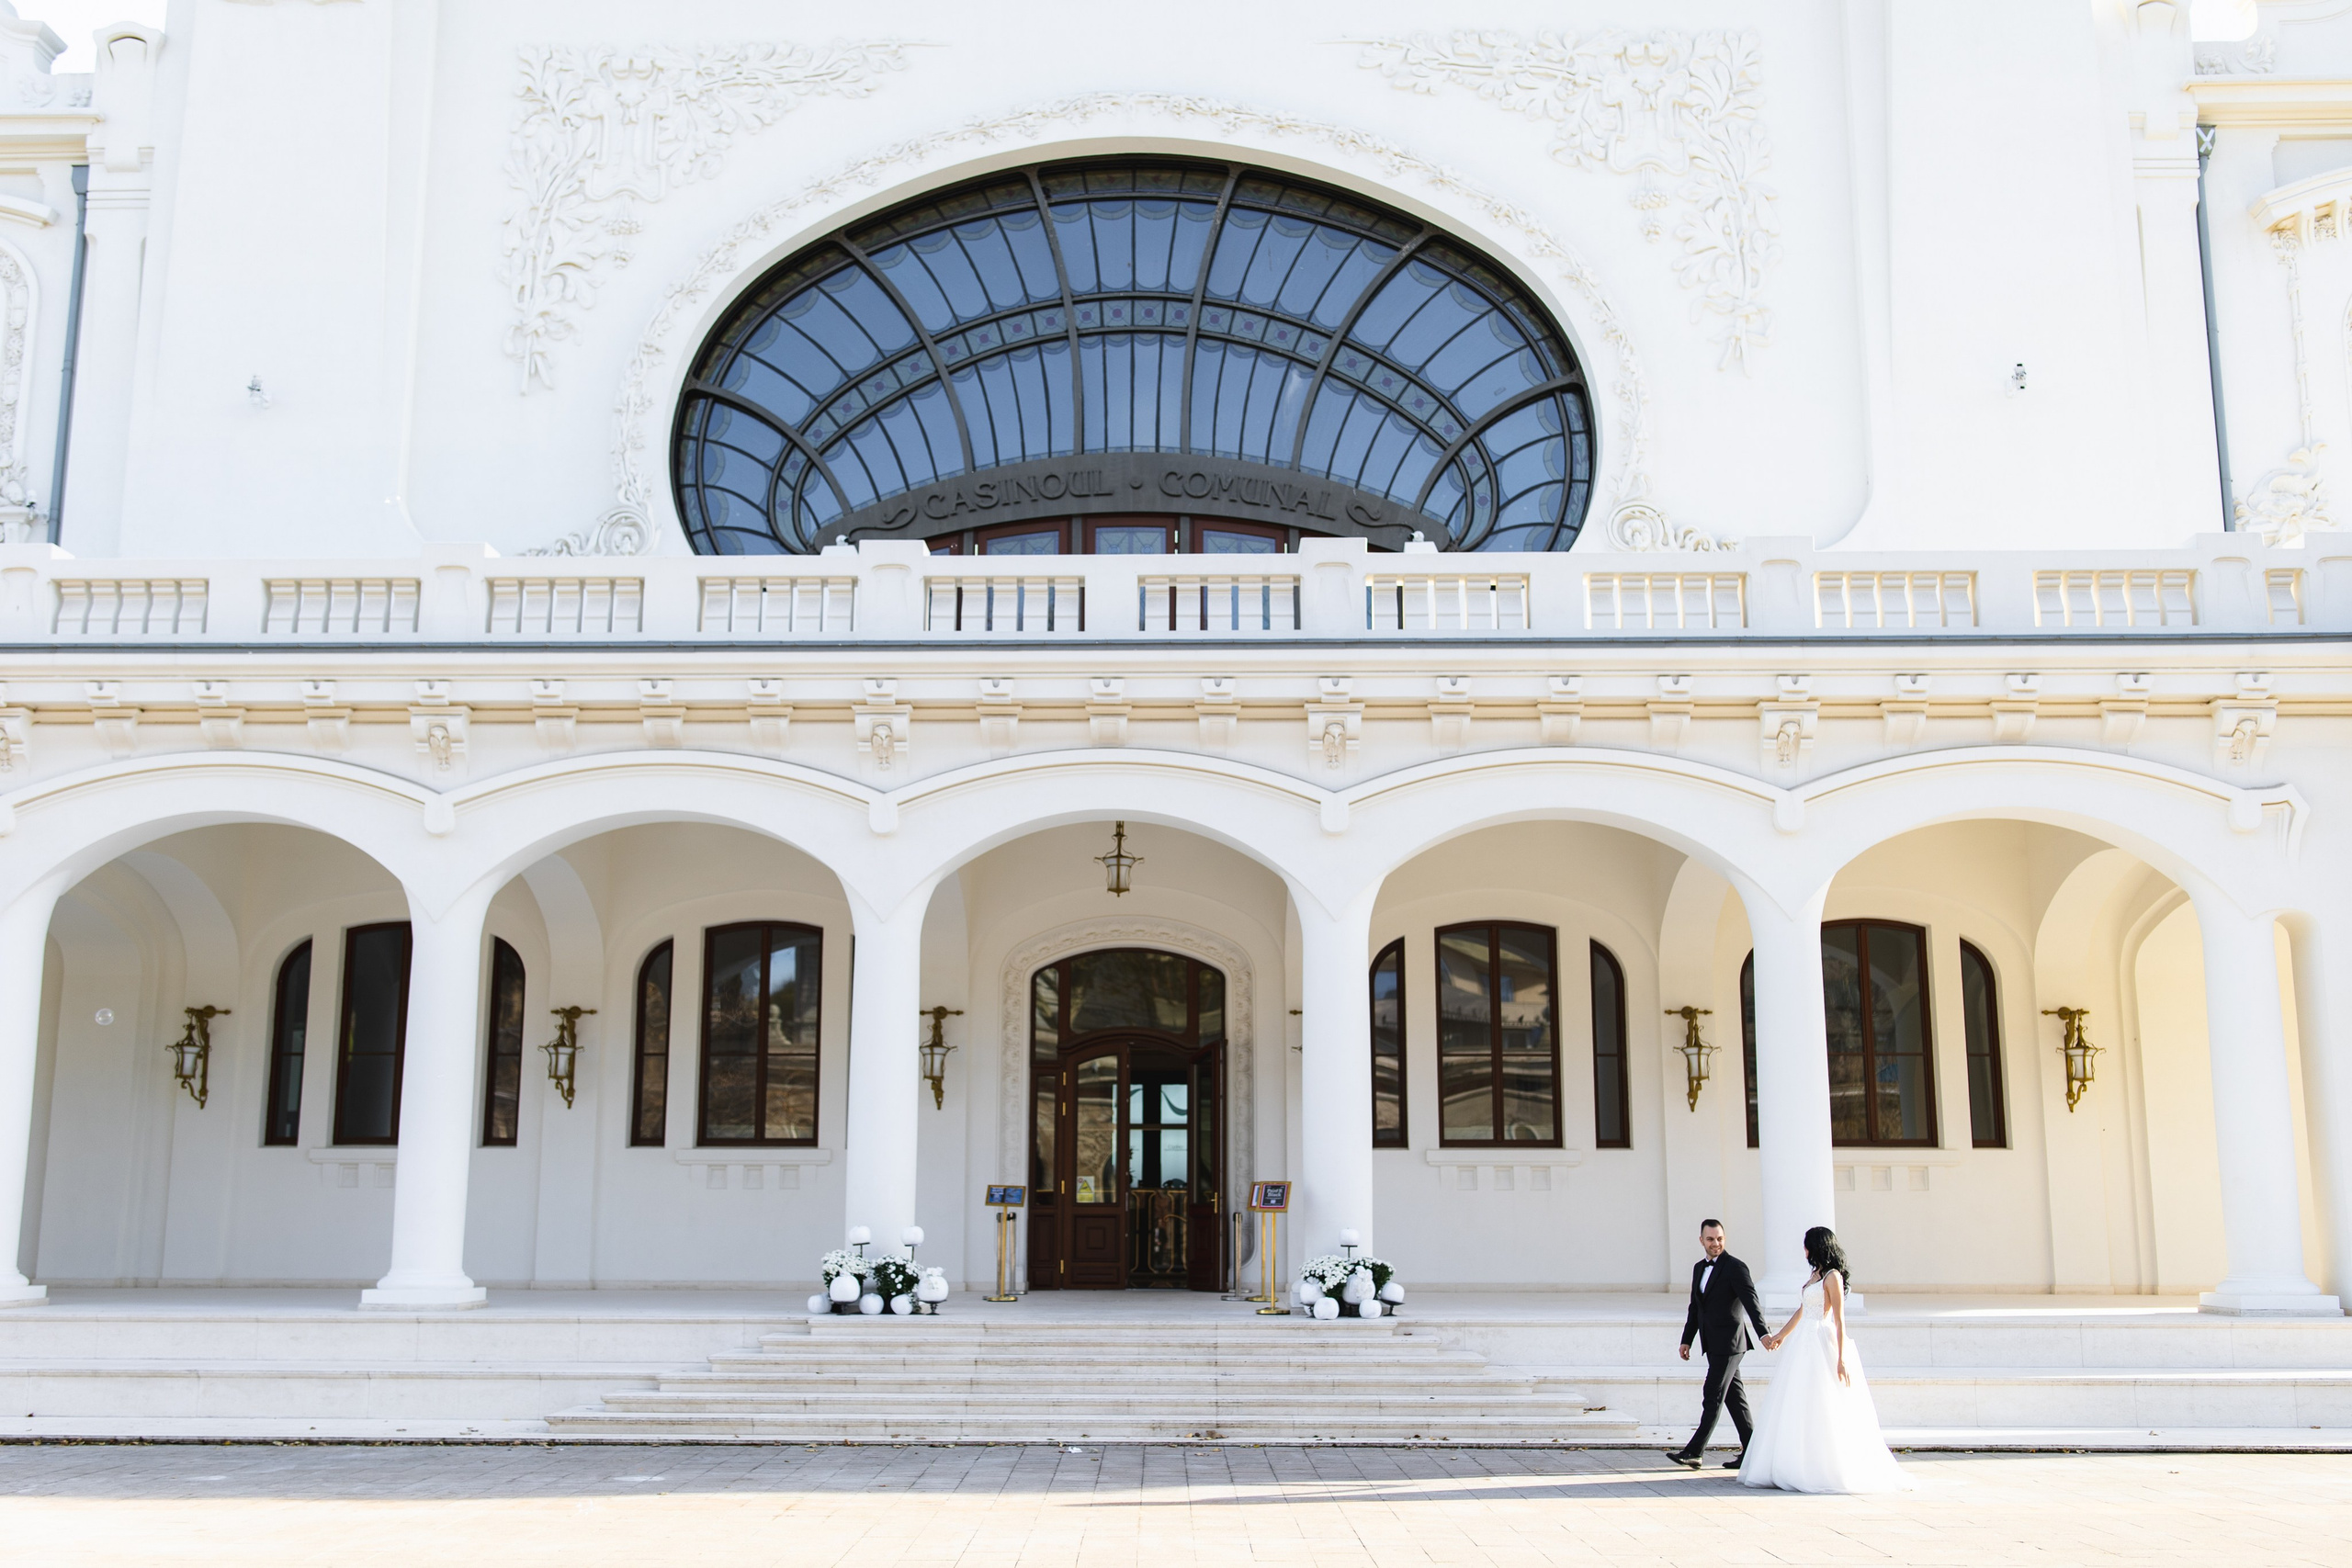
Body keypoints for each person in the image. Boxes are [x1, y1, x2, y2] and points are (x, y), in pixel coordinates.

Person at [1738, 1225, 1909, 1495]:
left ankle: (1822, 1467)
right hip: (1802, 1340)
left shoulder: (1832, 1277)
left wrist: (1841, 1358)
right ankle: (1791, 1464)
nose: (1804, 1251)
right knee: (1796, 1400)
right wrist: (1780, 1335)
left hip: (1820, 1339)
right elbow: (1803, 1309)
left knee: (1822, 1400)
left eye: (1807, 1246)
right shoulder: (1814, 1274)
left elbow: (1839, 1320)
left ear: (1816, 1246)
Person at [1668, 1218, 1769, 1470]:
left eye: (1720, 1239)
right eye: (1711, 1239)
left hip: (1732, 1343)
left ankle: (1694, 1451)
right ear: (1701, 1240)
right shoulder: (1698, 1268)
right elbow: (1695, 1307)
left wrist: (1763, 1333)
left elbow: (1751, 1303)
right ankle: (1753, 1453)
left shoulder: (1735, 1267)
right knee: (1735, 1400)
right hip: (1711, 1343)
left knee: (1712, 1394)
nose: (1716, 1244)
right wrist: (1686, 1340)